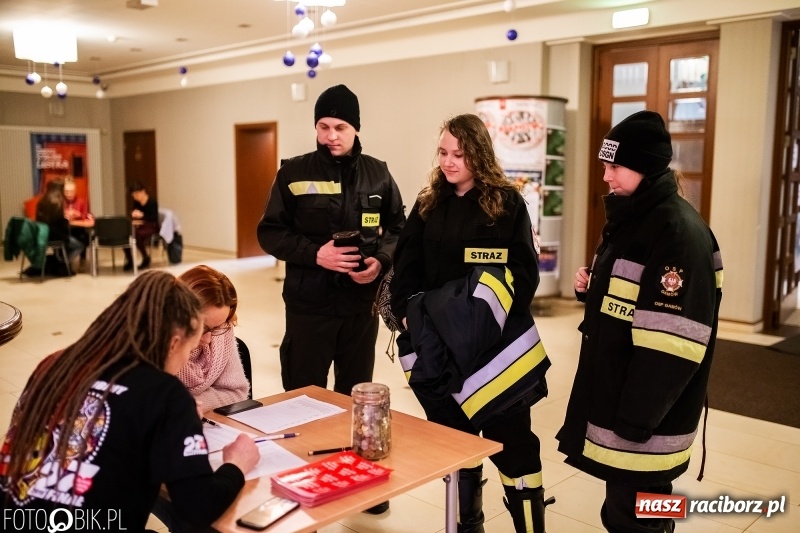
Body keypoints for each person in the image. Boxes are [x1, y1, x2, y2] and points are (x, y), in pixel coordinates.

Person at [556, 111, 723, 533]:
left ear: (645, 166)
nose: (606, 176)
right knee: (643, 512)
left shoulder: (676, 232)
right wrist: (593, 288)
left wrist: (634, 422)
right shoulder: (634, 218)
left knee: (633, 517)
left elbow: (675, 342)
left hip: (644, 419)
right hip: (628, 405)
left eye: (615, 166)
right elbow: (631, 298)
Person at [389, 114, 552, 533]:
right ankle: (467, 525)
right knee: (458, 446)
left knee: (515, 447)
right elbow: (406, 268)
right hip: (441, 352)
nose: (448, 162)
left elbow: (524, 275)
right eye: (443, 152)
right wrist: (409, 316)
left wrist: (480, 320)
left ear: (479, 154)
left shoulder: (507, 203)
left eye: (459, 154)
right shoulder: (428, 204)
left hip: (495, 353)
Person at [0, 270, 260, 531]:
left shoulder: (55, 363)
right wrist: (236, 464)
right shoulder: (164, 394)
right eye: (191, 348)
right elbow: (198, 507)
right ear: (174, 342)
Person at [256, 84, 405, 397]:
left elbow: (398, 228)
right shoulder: (293, 173)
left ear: (356, 128)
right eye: (323, 127)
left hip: (360, 308)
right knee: (303, 396)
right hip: (309, 306)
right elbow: (270, 232)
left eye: (341, 127)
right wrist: (314, 254)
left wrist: (381, 261)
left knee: (354, 396)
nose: (331, 136)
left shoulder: (378, 173)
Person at [177, 264, 250, 411]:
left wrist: (191, 404)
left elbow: (237, 393)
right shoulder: (157, 344)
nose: (208, 339)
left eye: (216, 328)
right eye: (203, 328)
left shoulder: (222, 331)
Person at [35, 179, 84, 273]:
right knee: (79, 246)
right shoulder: (57, 203)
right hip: (55, 236)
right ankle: (61, 265)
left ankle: (57, 262)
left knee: (69, 242)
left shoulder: (41, 201)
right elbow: (60, 224)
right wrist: (67, 220)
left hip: (42, 235)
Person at [125, 181, 159, 271]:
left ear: (143, 191)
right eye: (133, 195)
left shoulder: (152, 202)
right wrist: (134, 214)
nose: (135, 197)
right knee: (126, 233)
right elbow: (134, 213)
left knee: (136, 234)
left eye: (137, 194)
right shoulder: (136, 202)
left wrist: (142, 216)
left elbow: (154, 217)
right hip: (140, 225)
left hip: (152, 225)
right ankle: (129, 259)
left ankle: (145, 257)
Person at [63, 177, 94, 271]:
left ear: (75, 191)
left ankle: (82, 259)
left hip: (79, 228)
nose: (69, 194)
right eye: (67, 192)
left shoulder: (81, 201)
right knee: (63, 237)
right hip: (65, 229)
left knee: (83, 236)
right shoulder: (61, 201)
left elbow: (86, 216)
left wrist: (78, 215)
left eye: (71, 192)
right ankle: (66, 261)